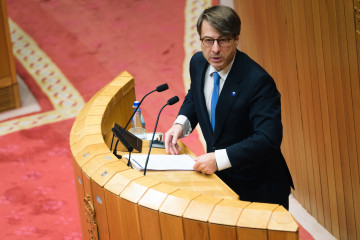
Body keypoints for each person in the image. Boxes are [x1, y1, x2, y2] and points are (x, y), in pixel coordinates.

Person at [164, 5, 294, 209]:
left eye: (223, 40)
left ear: (236, 39)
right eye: (208, 41)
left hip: (258, 188)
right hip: (219, 183)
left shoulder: (257, 81)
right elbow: (195, 95)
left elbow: (268, 139)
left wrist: (219, 159)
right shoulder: (198, 62)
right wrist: (181, 123)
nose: (215, 49)